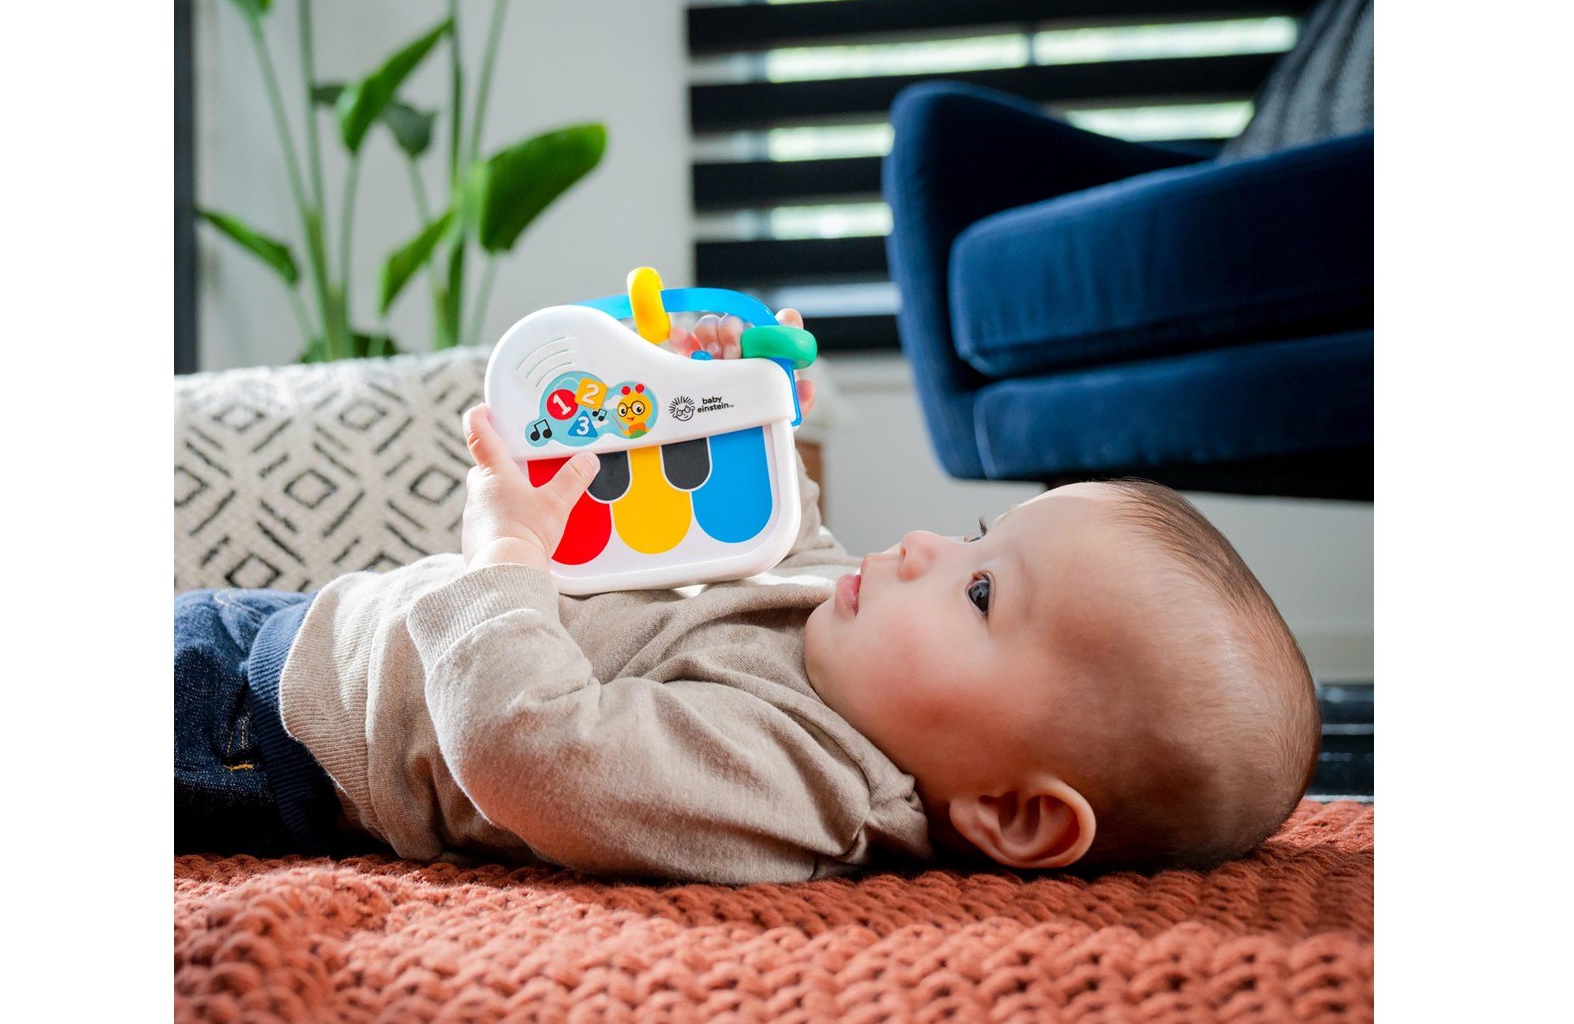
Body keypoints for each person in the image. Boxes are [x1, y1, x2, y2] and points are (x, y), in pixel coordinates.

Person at [174, 310, 1319, 881]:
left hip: (258, 736)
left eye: (979, 590)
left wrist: (510, 549)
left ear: (1014, 814)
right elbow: (778, 541)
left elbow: (531, 749)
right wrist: (726, 401)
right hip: (301, 626)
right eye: (974, 532)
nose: (924, 543)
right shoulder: (851, 639)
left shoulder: (798, 782)